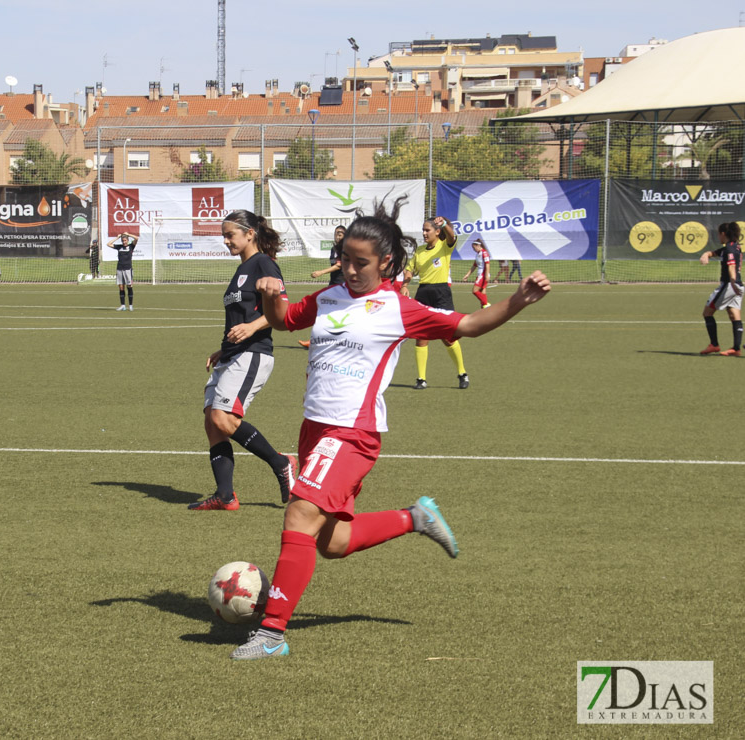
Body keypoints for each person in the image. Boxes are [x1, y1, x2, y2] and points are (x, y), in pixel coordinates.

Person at [229, 199, 551, 660]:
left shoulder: (397, 308)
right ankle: (415, 518)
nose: (351, 269)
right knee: (333, 542)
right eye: (345, 260)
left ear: (385, 262)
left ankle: (272, 632)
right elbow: (283, 321)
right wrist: (270, 296)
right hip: (315, 431)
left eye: (361, 263)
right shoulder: (329, 296)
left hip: (352, 434)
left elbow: (468, 324)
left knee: (299, 513)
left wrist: (518, 301)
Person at [189, 210, 297, 512]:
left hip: (254, 353)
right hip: (233, 355)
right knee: (213, 423)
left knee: (224, 419)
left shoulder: (263, 263)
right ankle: (225, 495)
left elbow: (282, 310)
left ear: (250, 233)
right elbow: (241, 316)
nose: (226, 241)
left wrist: (252, 327)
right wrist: (222, 349)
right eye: (223, 236)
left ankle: (281, 462)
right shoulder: (243, 269)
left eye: (230, 235)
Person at [401, 214, 469, 389]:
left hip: (441, 293)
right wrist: (405, 284)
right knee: (421, 337)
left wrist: (445, 224)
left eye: (427, 230)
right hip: (423, 293)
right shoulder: (419, 251)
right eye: (423, 230)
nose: (424, 233)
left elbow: (452, 236)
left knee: (448, 337)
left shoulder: (444, 246)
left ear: (437, 232)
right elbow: (410, 270)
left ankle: (462, 373)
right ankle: (421, 379)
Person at [698, 221, 743, 356]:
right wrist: (706, 254)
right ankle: (736, 348)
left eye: (719, 234)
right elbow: (714, 253)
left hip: (729, 285)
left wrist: (733, 283)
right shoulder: (734, 247)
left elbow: (731, 267)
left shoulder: (729, 249)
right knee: (734, 315)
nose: (718, 237)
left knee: (707, 313)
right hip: (737, 285)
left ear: (723, 234)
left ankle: (714, 345)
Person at [299, 224, 348, 348]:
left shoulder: (344, 249)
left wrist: (321, 272)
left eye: (340, 234)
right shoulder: (334, 248)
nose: (337, 236)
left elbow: (339, 265)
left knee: (328, 312)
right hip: (333, 285)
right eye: (336, 233)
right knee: (326, 312)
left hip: (341, 286)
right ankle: (318, 340)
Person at [107, 232, 137, 311]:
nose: (124, 242)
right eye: (123, 240)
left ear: (127, 240)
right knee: (121, 287)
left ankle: (130, 305)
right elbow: (108, 244)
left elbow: (136, 238)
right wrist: (117, 237)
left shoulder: (131, 246)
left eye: (125, 240)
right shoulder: (119, 247)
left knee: (129, 286)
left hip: (128, 269)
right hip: (119, 268)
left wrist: (129, 234)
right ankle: (123, 305)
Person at [462, 237, 492, 309]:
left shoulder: (484, 253)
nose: (473, 249)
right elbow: (474, 266)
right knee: (482, 292)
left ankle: (486, 304)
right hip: (480, 275)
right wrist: (467, 275)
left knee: (475, 291)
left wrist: (486, 275)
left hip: (483, 275)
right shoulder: (478, 254)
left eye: (474, 247)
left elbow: (487, 264)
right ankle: (484, 309)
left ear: (478, 246)